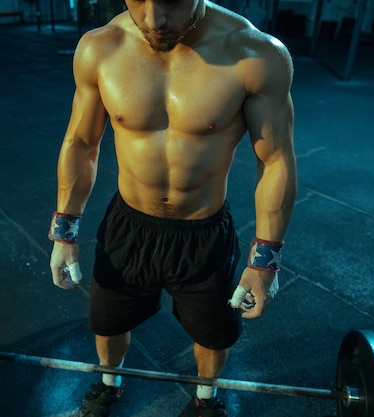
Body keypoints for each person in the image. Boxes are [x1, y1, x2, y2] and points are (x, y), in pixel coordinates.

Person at [49, 0, 296, 415]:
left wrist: (265, 262)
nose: (154, 20)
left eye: (172, 1)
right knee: (108, 323)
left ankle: (205, 398)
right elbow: (80, 143)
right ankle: (109, 384)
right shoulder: (101, 48)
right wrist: (64, 231)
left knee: (213, 335)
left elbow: (275, 160)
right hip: (128, 226)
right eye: (138, 0)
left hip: (203, 235)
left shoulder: (255, 54)